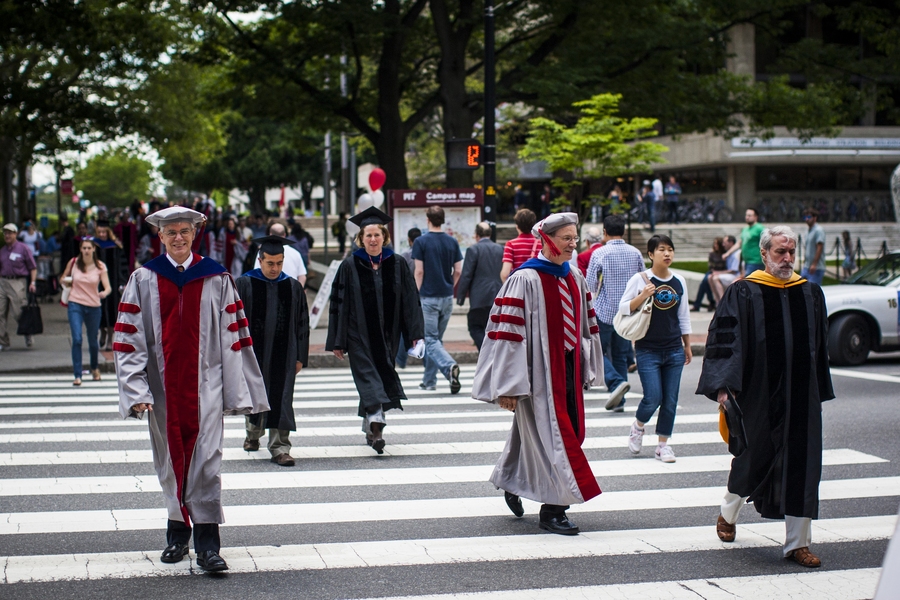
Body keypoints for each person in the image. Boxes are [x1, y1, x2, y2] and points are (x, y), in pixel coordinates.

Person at [113, 206, 268, 573]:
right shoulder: (143, 279)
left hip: (207, 387)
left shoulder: (216, 278)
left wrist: (236, 390)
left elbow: (234, 338)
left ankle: (208, 545)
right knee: (169, 461)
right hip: (161, 392)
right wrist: (136, 390)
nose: (178, 237)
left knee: (207, 462)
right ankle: (177, 535)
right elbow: (128, 339)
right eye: (171, 232)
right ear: (160, 237)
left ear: (194, 233)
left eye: (184, 231)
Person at [696, 225, 834, 568]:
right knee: (752, 459)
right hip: (758, 391)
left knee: (803, 464)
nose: (787, 258)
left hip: (801, 394)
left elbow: (819, 346)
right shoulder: (743, 291)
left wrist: (818, 387)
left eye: (791, 252)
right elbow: (726, 340)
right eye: (779, 252)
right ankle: (728, 512)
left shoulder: (810, 293)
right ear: (764, 254)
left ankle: (798, 544)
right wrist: (725, 387)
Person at [472, 212, 603, 535]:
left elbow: (586, 325)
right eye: (566, 238)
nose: (572, 244)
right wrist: (509, 385)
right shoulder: (525, 279)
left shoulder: (574, 275)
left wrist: (587, 364)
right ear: (547, 240)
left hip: (568, 368)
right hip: (536, 374)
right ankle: (553, 510)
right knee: (557, 439)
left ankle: (511, 479)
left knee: (554, 434)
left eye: (575, 238)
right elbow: (508, 335)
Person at [326, 207, 424, 453]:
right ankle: (378, 426)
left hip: (388, 334)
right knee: (369, 378)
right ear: (361, 239)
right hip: (357, 334)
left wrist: (415, 334)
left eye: (376, 235)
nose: (372, 239)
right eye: (368, 235)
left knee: (378, 377)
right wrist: (337, 340)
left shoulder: (397, 263)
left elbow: (411, 300)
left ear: (384, 237)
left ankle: (369, 427)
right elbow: (338, 305)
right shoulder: (349, 266)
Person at [236, 235, 310, 467]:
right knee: (254, 396)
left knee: (282, 397)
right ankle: (252, 433)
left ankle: (280, 448)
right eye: (270, 263)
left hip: (284, 354)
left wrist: (300, 357)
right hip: (252, 353)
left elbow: (302, 323)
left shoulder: (292, 286)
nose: (275, 268)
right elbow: (233, 321)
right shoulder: (244, 284)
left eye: (279, 263)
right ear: (260, 260)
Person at [620, 234, 692, 463]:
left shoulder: (679, 281)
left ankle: (663, 445)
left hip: (674, 348)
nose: (667, 253)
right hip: (647, 349)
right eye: (661, 249)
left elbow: (683, 315)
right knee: (652, 397)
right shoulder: (640, 279)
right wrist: (643, 295)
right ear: (651, 254)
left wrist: (687, 345)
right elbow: (623, 308)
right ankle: (638, 426)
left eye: (670, 249)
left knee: (670, 400)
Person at [585, 215, 646, 412]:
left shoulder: (600, 253)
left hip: (604, 311)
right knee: (620, 355)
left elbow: (590, 284)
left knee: (595, 352)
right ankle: (620, 401)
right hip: (628, 312)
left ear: (604, 232)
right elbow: (644, 280)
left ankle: (615, 382)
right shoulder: (635, 253)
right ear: (624, 231)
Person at [412, 205, 463, 393]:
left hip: (428, 297)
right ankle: (429, 381)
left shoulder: (421, 241)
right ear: (443, 219)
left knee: (430, 340)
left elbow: (419, 271)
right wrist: (450, 285)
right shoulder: (452, 241)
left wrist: (415, 294)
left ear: (428, 219)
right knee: (436, 341)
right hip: (447, 297)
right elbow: (458, 270)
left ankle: (449, 367)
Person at [60, 238, 112, 385]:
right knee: (77, 339)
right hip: (75, 303)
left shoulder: (100, 266)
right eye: (84, 248)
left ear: (94, 249)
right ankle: (78, 375)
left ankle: (94, 368)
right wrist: (64, 281)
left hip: (93, 305)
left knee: (93, 341)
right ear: (80, 249)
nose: (87, 251)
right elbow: (63, 277)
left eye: (89, 248)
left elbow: (108, 287)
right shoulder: (74, 263)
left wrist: (104, 293)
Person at [456, 221, 503, 351]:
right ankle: (493, 353)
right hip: (498, 295)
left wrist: (460, 297)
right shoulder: (501, 249)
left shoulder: (473, 249)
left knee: (475, 327)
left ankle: (487, 353)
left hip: (479, 297)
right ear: (490, 234)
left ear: (477, 235)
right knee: (494, 329)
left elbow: (467, 275)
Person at [0, 224, 37, 350]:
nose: (7, 235)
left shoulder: (23, 248)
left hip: (18, 282)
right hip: (3, 282)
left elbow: (33, 267)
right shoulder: (2, 251)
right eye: (5, 233)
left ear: (15, 234)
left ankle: (27, 332)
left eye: (10, 233)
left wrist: (33, 282)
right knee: (0, 313)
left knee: (18, 312)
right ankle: (3, 342)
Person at [94, 219, 129, 351]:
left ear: (108, 232)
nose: (102, 235)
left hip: (113, 283)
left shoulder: (115, 246)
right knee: (98, 308)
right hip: (97, 283)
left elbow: (122, 266)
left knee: (111, 309)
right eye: (100, 232)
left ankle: (110, 337)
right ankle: (102, 331)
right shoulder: (93, 245)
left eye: (104, 232)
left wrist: (122, 282)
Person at [395, 227, 421, 369]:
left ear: (409, 240)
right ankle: (426, 361)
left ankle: (401, 359)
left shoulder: (405, 256)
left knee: (404, 327)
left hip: (408, 295)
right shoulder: (424, 254)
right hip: (425, 294)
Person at [723, 208, 764, 277]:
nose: (747, 217)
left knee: (749, 281)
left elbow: (766, 243)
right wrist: (728, 253)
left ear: (756, 217)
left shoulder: (760, 228)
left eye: (749, 215)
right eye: (746, 215)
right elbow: (739, 243)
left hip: (756, 261)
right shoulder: (745, 229)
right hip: (746, 261)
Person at [500, 208, 538, 282]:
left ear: (517, 226)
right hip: (537, 285)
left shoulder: (511, 244)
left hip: (519, 284)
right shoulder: (542, 244)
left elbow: (505, 274)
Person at [267, 220, 307, 287]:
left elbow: (257, 274)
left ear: (270, 234)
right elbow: (302, 276)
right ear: (284, 234)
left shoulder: (263, 253)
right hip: (292, 290)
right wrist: (299, 291)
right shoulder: (295, 253)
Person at [692, 237, 725, 312]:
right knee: (704, 281)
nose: (715, 245)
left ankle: (701, 304)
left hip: (721, 272)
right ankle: (710, 302)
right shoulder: (712, 253)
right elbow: (710, 266)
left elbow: (725, 266)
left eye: (717, 244)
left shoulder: (724, 253)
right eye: (714, 243)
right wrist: (714, 271)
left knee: (704, 283)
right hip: (712, 271)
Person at [709, 235, 740, 303]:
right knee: (710, 277)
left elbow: (733, 271)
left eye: (725, 243)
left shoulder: (736, 254)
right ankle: (718, 302)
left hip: (736, 276)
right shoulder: (728, 253)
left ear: (731, 243)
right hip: (731, 275)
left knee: (715, 278)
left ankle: (723, 302)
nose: (723, 245)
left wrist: (718, 273)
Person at [801, 208, 826, 285]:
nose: (806, 219)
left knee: (812, 289)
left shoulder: (818, 230)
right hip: (807, 266)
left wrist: (814, 264)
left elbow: (819, 247)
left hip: (816, 267)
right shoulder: (807, 231)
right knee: (800, 286)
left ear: (815, 218)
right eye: (805, 217)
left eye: (809, 217)